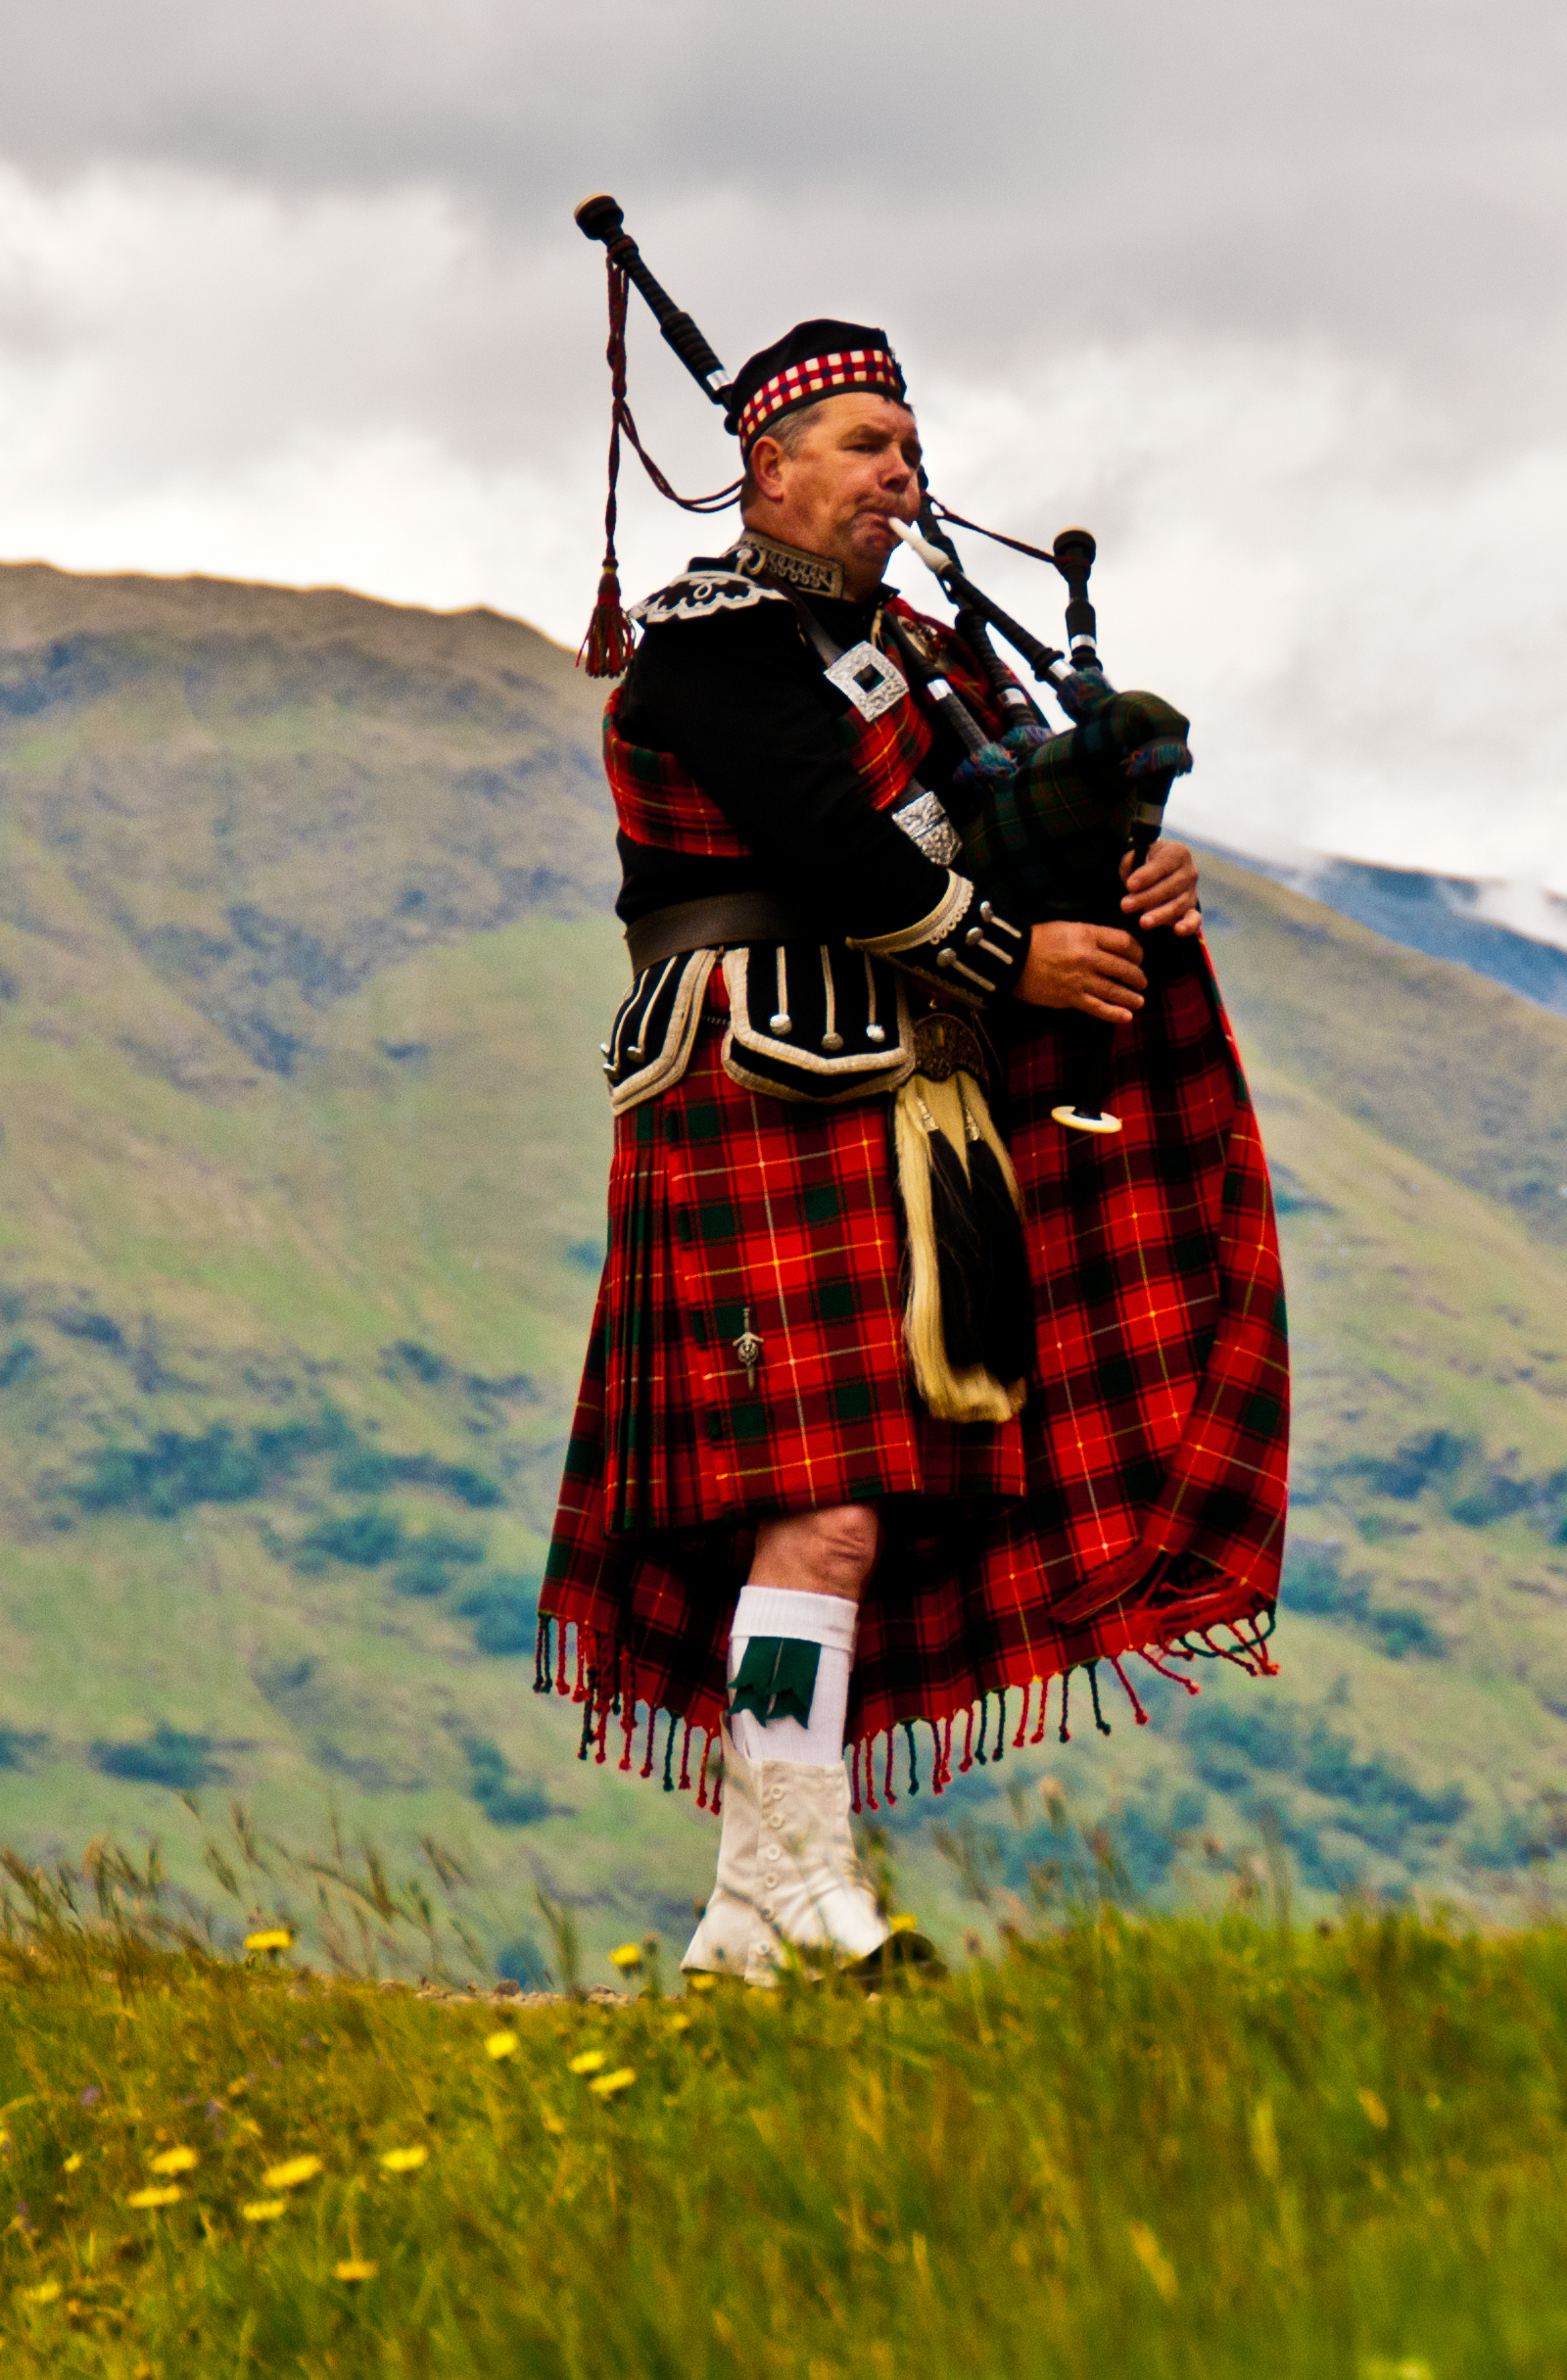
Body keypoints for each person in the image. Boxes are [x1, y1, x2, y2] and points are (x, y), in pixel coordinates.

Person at [535, 318, 1290, 1984]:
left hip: (889, 1094)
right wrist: (1017, 958)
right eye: (866, 444)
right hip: (751, 1077)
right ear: (769, 466)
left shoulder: (921, 659)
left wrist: (1131, 879)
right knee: (819, 1510)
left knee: (843, 1513)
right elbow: (833, 845)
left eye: (907, 446)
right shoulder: (713, 649)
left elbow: (1018, 815)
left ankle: (761, 1906)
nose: (900, 475)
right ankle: (805, 1893)